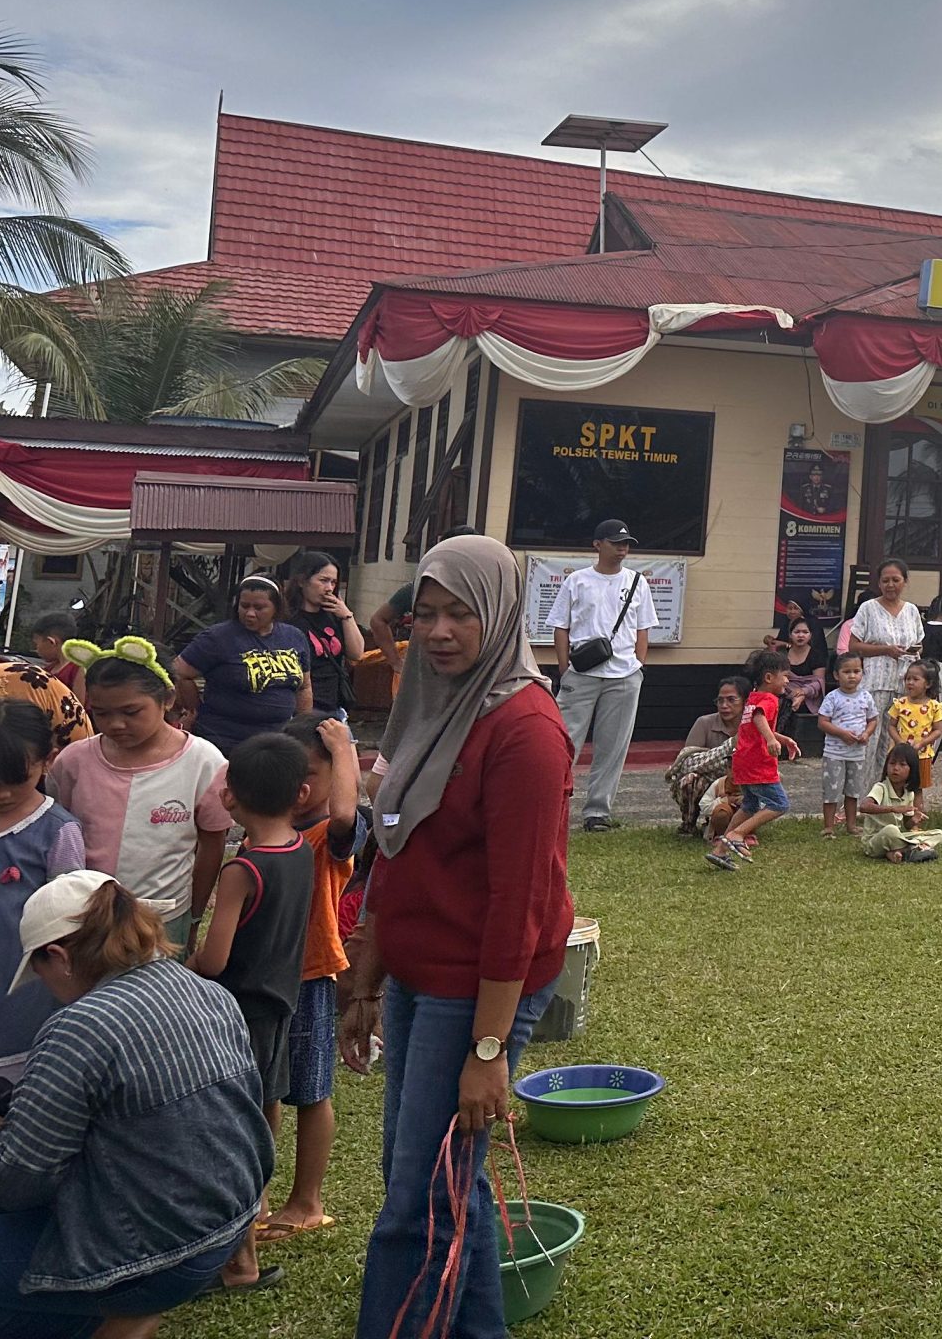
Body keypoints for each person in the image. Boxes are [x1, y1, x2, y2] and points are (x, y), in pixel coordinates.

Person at [340, 533, 573, 1339]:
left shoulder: (526, 731)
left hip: (477, 982)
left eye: (460, 614)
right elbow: (396, 847)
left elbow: (521, 904)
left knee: (418, 1200)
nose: (437, 632)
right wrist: (367, 974)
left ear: (501, 616)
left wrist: (487, 1052)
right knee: (438, 1181)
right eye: (424, 614)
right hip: (417, 968)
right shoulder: (431, 702)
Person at [0, 873, 272, 1334]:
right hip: (225, 1231)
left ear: (60, 958)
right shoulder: (208, 993)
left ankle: (115, 1307)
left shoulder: (79, 1027)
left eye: (40, 972)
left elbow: (19, 1183)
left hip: (151, 1255)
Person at [186, 729, 313, 1290]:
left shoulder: (244, 869)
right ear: (300, 795)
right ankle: (256, 1208)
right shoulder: (299, 849)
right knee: (263, 1111)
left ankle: (240, 1261)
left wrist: (172, 964)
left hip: (236, 1016)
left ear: (230, 797)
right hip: (281, 1003)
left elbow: (214, 961)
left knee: (231, 1133)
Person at [48, 649, 230, 947]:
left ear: (168, 699)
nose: (116, 724)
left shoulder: (203, 763)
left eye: (131, 712)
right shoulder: (73, 762)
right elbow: (57, 831)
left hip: (162, 918)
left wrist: (195, 917)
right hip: (85, 916)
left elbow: (212, 844)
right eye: (102, 713)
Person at [263, 713, 359, 1241]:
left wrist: (344, 747)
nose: (299, 789)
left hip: (310, 977)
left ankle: (307, 1201)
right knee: (264, 1093)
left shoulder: (327, 836)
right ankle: (258, 1197)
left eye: (312, 776)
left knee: (312, 1092)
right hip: (260, 982)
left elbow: (345, 813)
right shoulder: (263, 831)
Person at [546, 520, 657, 833]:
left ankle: (598, 812)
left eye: (626, 544)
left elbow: (643, 628)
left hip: (624, 674)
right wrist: (564, 668)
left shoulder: (637, 581)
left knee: (613, 746)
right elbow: (561, 626)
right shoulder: (578, 581)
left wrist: (639, 664)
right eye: (615, 543)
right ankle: (553, 802)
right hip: (581, 672)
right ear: (597, 544)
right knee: (564, 741)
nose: (622, 549)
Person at [0, 700, 85, 1094]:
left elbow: (68, 914)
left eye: (16, 777)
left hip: (22, 980)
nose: (2, 791)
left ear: (48, 761)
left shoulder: (58, 831)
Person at [173, 575, 313, 754]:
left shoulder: (294, 637)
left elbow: (304, 687)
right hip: (225, 741)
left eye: (259, 607)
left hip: (277, 742)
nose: (250, 613)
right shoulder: (217, 638)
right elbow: (179, 672)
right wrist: (195, 708)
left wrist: (303, 728)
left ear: (276, 608)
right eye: (244, 606)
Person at [710, 651, 798, 870]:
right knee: (779, 804)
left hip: (743, 761)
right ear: (769, 678)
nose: (787, 680)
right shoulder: (769, 699)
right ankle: (738, 834)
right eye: (784, 675)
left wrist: (782, 738)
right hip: (758, 763)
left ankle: (720, 850)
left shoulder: (753, 698)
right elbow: (760, 718)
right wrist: (771, 740)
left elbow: (755, 726)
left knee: (749, 805)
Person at [839, 559, 926, 762]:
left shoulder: (912, 611)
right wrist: (885, 649)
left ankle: (890, 789)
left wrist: (913, 650)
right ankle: (864, 791)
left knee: (896, 741)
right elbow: (853, 646)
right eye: (885, 580)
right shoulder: (868, 608)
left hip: (905, 685)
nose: (890, 585)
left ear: (905, 582)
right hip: (875, 683)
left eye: (896, 580)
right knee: (871, 740)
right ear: (879, 583)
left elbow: (920, 643)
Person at [278, 549, 366, 724]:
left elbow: (357, 654)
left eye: (334, 582)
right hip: (304, 707)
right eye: (323, 580)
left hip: (334, 706)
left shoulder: (334, 615)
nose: (329, 588)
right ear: (302, 581)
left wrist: (347, 616)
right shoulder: (288, 620)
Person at [668, 678, 745, 838]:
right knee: (690, 779)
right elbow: (687, 763)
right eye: (720, 700)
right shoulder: (704, 723)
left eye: (731, 700)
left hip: (739, 784)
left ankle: (737, 823)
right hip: (709, 784)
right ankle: (688, 824)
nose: (724, 706)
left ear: (745, 701)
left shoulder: (752, 726)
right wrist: (730, 747)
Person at [816, 656, 880, 835]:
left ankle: (851, 825)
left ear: (862, 673)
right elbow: (822, 722)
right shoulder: (832, 697)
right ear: (836, 675)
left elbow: (873, 720)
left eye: (856, 671)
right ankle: (828, 827)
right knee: (832, 790)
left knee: (853, 791)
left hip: (857, 753)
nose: (852, 676)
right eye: (847, 672)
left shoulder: (866, 696)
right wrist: (841, 733)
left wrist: (866, 733)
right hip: (834, 753)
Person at [856, 742, 942, 861]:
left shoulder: (909, 794)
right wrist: (893, 809)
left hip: (896, 838)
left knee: (938, 834)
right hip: (874, 841)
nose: (895, 768)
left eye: (902, 764)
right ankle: (914, 848)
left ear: (911, 770)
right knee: (891, 830)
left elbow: (907, 825)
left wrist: (914, 820)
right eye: (892, 763)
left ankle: (896, 852)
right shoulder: (881, 788)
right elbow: (864, 807)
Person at [775, 617, 833, 776]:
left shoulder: (816, 655)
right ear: (790, 634)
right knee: (782, 703)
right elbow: (780, 679)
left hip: (810, 695)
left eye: (805, 632)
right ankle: (780, 748)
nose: (801, 635)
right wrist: (792, 692)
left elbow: (818, 682)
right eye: (797, 632)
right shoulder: (782, 655)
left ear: (810, 635)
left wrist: (803, 693)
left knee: (797, 702)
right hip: (786, 691)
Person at [886, 662, 942, 790]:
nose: (910, 682)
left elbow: (938, 730)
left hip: (922, 754)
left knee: (917, 788)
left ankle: (916, 809)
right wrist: (900, 742)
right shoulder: (899, 704)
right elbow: (891, 726)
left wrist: (922, 743)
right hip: (899, 755)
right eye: (908, 679)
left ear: (928, 684)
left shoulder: (934, 706)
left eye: (915, 679)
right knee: (897, 786)